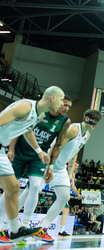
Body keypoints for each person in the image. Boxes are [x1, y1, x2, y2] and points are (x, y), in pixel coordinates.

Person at [0, 86, 65, 243]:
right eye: (62, 99)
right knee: (12, 188)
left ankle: (15, 231)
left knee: (13, 188)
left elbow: (27, 130)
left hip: (1, 149)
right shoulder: (26, 106)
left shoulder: (39, 113)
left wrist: (38, 151)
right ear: (52, 98)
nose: (63, 103)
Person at [36, 109, 101, 242]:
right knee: (31, 193)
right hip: (49, 162)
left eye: (98, 122)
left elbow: (75, 153)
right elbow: (56, 145)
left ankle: (42, 228)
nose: (96, 125)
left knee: (64, 197)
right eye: (95, 121)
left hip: (61, 168)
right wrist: (51, 166)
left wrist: (70, 173)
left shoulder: (86, 135)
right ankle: (10, 226)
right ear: (87, 119)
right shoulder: (73, 129)